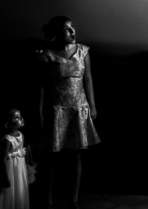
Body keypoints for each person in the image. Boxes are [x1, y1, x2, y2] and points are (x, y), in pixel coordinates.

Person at [37, 16, 100, 209]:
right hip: (55, 109)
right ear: (56, 33)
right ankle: (48, 200)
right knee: (51, 157)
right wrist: (39, 110)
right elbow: (40, 85)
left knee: (76, 155)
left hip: (78, 107)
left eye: (73, 27)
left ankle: (73, 201)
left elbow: (87, 79)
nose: (72, 31)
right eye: (66, 29)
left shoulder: (83, 51)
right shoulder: (46, 55)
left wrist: (92, 105)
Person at [0, 109, 32, 209]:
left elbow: (23, 149)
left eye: (20, 116)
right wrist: (5, 177)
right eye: (16, 117)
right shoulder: (7, 139)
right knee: (9, 192)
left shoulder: (21, 135)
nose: (21, 118)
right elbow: (3, 159)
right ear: (8, 123)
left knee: (19, 188)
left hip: (19, 169)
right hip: (10, 169)